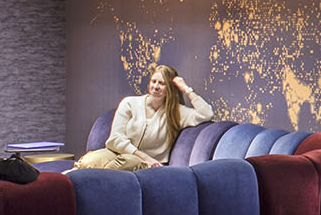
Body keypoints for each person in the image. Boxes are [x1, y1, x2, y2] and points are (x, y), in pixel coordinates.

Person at [74, 64, 215, 170]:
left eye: (162, 83)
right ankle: (63, 185)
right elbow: (115, 139)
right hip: (115, 153)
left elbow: (206, 113)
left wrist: (186, 89)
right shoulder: (130, 103)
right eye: (154, 81)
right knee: (88, 162)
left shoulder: (176, 113)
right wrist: (144, 156)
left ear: (170, 88)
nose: (156, 86)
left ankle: (94, 183)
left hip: (143, 164)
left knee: (125, 163)